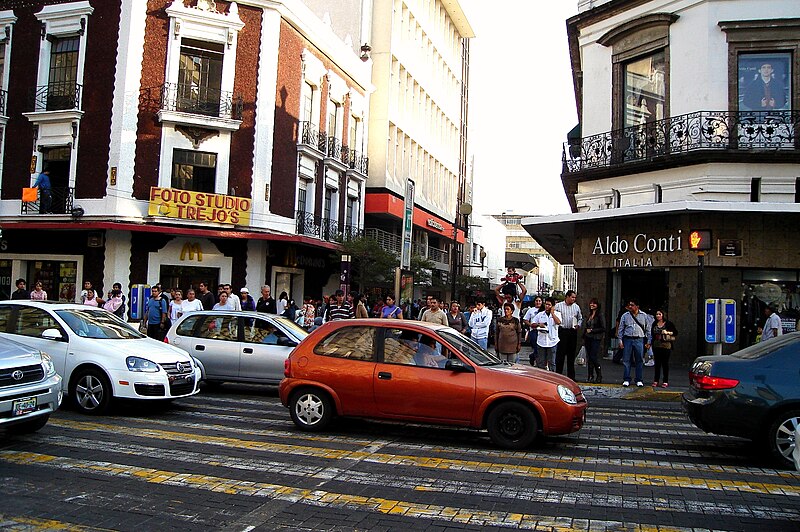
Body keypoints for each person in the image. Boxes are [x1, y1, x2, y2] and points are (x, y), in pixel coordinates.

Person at [617, 298, 652, 387]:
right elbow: (621, 328)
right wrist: (620, 340)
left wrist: (649, 341)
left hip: (639, 339)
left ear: (637, 306)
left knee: (639, 359)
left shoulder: (644, 315)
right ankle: (626, 378)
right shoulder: (625, 315)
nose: (630, 307)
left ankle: (639, 379)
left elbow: (648, 329)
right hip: (627, 338)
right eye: (629, 305)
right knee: (626, 359)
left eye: (632, 305)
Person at [555, 290, 582, 380]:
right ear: (567, 297)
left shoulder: (576, 307)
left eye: (575, 298)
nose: (574, 299)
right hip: (562, 331)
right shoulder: (559, 306)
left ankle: (571, 376)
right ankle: (558, 375)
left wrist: (578, 324)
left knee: (571, 355)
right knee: (560, 354)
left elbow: (580, 318)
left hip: (572, 331)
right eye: (572, 297)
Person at [533, 297, 561, 370]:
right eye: (546, 304)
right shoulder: (540, 314)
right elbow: (533, 324)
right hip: (541, 341)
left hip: (552, 341)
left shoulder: (557, 314)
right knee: (541, 362)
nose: (547, 306)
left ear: (552, 306)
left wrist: (552, 313)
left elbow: (558, 322)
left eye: (549, 305)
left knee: (552, 362)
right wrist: (539, 325)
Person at [651, 309, 677, 388]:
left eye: (659, 314)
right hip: (657, 345)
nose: (658, 316)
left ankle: (665, 381)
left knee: (665, 363)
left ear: (663, 315)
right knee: (657, 364)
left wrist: (667, 332)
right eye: (657, 314)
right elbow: (652, 334)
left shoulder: (668, 323)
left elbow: (675, 332)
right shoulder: (654, 323)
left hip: (666, 345)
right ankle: (656, 380)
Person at [582, 298, 606, 383]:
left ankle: (599, 375)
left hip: (596, 338)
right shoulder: (589, 314)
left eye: (594, 304)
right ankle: (590, 376)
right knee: (589, 357)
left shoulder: (600, 315)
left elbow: (603, 328)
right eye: (591, 303)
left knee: (593, 356)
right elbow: (586, 326)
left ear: (597, 305)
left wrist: (592, 330)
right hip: (588, 338)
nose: (592, 305)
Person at [523, 296, 544, 366]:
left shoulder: (544, 310)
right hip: (534, 331)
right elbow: (525, 319)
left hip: (542, 331)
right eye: (536, 301)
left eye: (539, 301)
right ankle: (537, 361)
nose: (538, 302)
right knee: (536, 347)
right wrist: (530, 325)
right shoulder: (531, 310)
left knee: (541, 348)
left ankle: (534, 357)